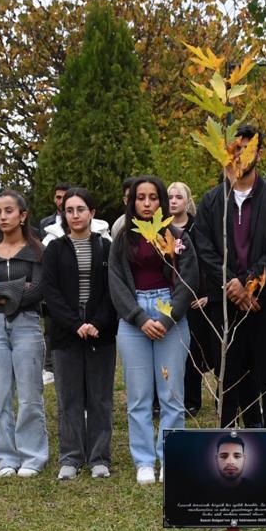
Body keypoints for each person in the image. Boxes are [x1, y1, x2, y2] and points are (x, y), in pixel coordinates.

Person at [191, 124, 266, 428]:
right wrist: (232, 285)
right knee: (228, 383)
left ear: (258, 154)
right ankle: (226, 452)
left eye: (246, 149)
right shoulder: (212, 202)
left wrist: (250, 285)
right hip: (225, 306)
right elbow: (204, 247)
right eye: (234, 149)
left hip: (264, 305)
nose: (239, 155)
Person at [111, 175, 199, 484]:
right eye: (140, 198)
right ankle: (144, 461)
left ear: (162, 201)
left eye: (153, 197)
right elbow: (116, 284)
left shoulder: (176, 236)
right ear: (132, 201)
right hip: (134, 320)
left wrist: (165, 318)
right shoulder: (123, 239)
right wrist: (138, 317)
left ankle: (171, 458)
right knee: (139, 396)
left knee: (172, 393)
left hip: (170, 315)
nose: (147, 203)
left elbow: (189, 281)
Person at [44, 187, 117, 480]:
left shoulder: (106, 247)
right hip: (65, 333)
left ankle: (99, 456)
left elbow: (114, 289)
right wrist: (75, 323)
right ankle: (71, 457)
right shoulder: (55, 249)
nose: (75, 215)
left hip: (101, 331)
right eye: (70, 210)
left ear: (92, 213)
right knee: (69, 397)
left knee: (100, 398)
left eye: (81, 209)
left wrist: (97, 322)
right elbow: (50, 292)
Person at [0, 189, 48, 477]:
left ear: (23, 215)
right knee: (0, 395)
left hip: (27, 324)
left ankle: (32, 457)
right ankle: (6, 457)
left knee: (30, 395)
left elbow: (37, 292)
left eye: (9, 211)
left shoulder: (37, 251)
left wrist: (0, 290)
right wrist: (18, 287)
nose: (2, 216)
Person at [168, 181, 213, 416]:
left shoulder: (199, 228)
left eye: (178, 197)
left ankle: (192, 400)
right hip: (169, 298)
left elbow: (207, 262)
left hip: (196, 299)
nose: (173, 201)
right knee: (169, 350)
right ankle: (167, 398)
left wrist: (207, 294)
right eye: (170, 197)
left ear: (187, 201)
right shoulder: (160, 230)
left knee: (192, 350)